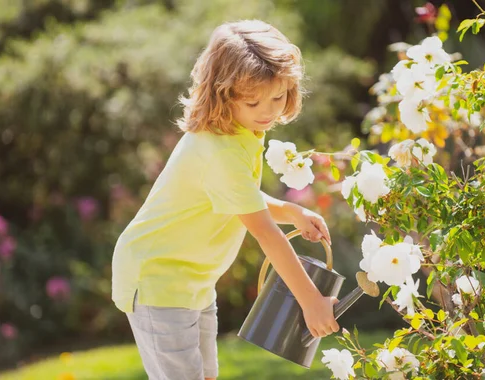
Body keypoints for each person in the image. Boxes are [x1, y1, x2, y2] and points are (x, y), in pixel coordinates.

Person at [111, 19, 339, 380]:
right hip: (157, 279)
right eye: (253, 101)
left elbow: (238, 196)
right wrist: (311, 301)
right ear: (222, 93)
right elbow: (264, 232)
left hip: (195, 282)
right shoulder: (219, 148)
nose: (268, 111)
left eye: (278, 97)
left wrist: (290, 211)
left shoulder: (243, 130)